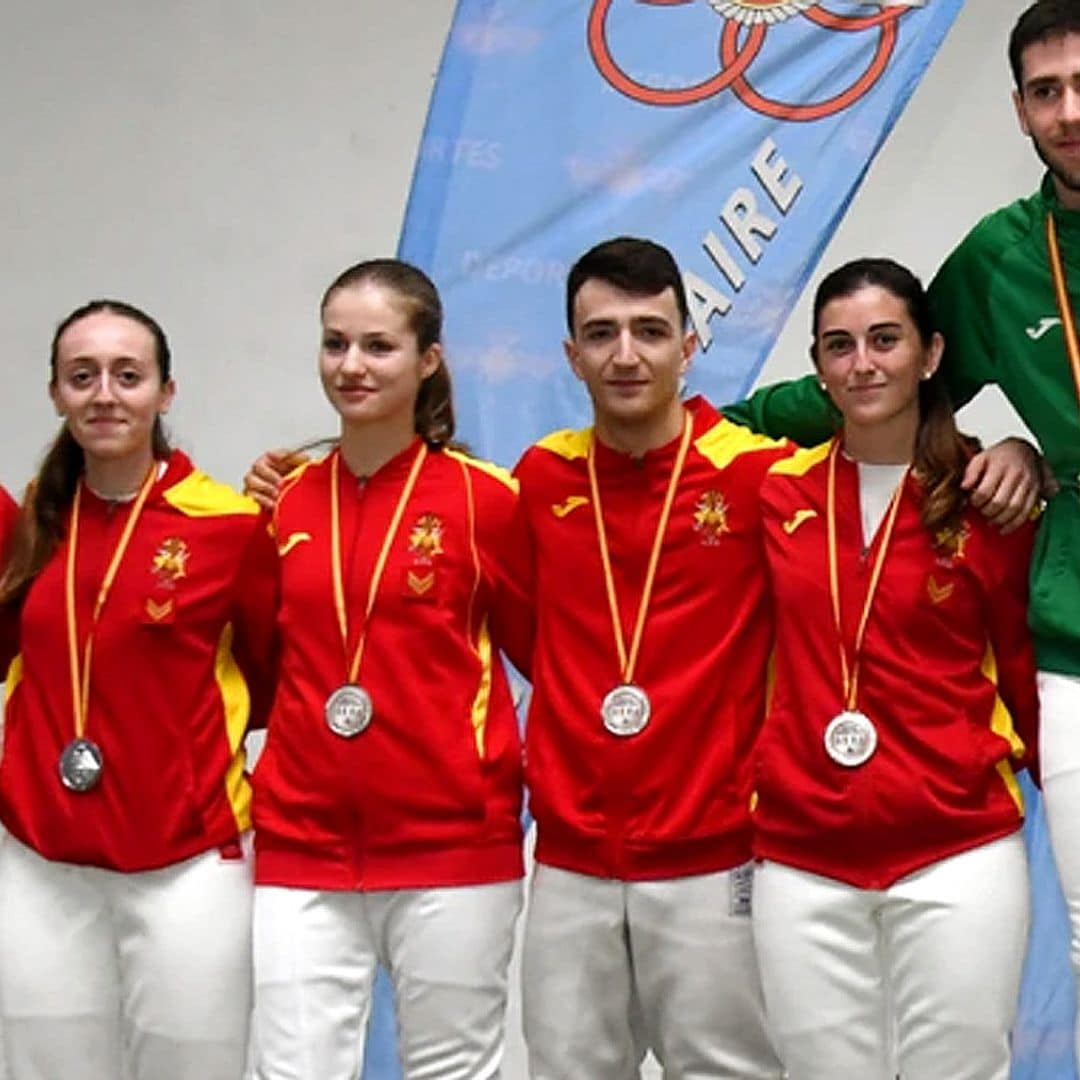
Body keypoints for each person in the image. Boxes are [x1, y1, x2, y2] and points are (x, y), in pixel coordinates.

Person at [724, 0, 1080, 1060]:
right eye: (1048, 90)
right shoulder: (1004, 257)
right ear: (1018, 110)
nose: (1072, 109)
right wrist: (698, 421)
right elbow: (879, 390)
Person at [750, 258, 1038, 1080]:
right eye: (839, 347)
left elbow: (1024, 673)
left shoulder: (992, 499)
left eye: (885, 340)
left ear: (932, 353)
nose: (863, 364)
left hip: (959, 847)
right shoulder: (771, 496)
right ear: (818, 371)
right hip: (802, 856)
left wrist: (1029, 452)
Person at [508, 237, 787, 1078]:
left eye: (650, 331)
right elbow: (527, 632)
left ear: (689, 346)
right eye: (601, 334)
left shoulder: (762, 477)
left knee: (728, 1069)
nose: (625, 355)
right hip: (570, 855)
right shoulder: (540, 479)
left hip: (714, 849)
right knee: (566, 1067)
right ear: (571, 354)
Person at [248, 258, 525, 1080]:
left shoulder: (489, 501)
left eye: (379, 346)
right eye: (335, 344)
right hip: (301, 843)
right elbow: (261, 667)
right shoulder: (279, 504)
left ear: (428, 360)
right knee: (289, 1070)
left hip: (453, 845)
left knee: (452, 1070)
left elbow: (551, 654)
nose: (352, 366)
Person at [0, 300, 277, 1080]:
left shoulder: (227, 526)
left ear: (166, 392)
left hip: (188, 861)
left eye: (129, 375)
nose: (105, 395)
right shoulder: (34, 523)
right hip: (39, 858)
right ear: (55, 394)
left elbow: (271, 675)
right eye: (81, 377)